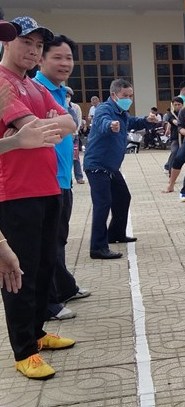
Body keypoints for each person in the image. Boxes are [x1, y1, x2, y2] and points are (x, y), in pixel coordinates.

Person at [0, 15, 79, 380]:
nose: (32, 50)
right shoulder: (2, 82)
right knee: (20, 273)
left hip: (48, 187)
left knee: (46, 265)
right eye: (25, 42)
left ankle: (38, 333)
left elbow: (70, 124)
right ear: (7, 42)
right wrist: (47, 122)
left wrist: (52, 122)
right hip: (16, 193)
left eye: (37, 45)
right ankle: (23, 349)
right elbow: (29, 129)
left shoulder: (32, 85)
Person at [33, 34, 91, 321]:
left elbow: (69, 126)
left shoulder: (59, 92)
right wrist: (63, 123)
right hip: (45, 180)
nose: (65, 63)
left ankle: (64, 287)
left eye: (69, 57)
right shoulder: (35, 89)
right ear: (41, 59)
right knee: (49, 243)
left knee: (59, 238)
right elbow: (54, 128)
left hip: (62, 178)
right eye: (57, 57)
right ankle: (50, 303)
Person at [84, 78, 158, 259]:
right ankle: (97, 247)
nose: (129, 99)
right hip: (97, 166)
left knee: (123, 197)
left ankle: (115, 234)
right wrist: (110, 125)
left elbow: (132, 122)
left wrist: (147, 120)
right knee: (103, 204)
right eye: (125, 96)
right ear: (114, 95)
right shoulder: (105, 109)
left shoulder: (122, 112)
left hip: (110, 167)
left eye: (131, 96)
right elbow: (101, 122)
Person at [65, 87, 85, 184]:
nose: (66, 98)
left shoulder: (75, 107)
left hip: (74, 135)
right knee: (65, 157)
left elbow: (78, 120)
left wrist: (74, 132)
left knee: (75, 157)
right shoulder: (59, 105)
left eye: (68, 96)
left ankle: (79, 176)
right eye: (65, 96)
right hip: (63, 136)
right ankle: (67, 178)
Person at [163, 96, 183, 174]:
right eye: (175, 105)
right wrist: (168, 129)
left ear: (182, 104)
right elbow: (171, 120)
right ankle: (170, 170)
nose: (177, 106)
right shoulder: (171, 113)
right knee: (174, 152)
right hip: (175, 137)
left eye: (179, 104)